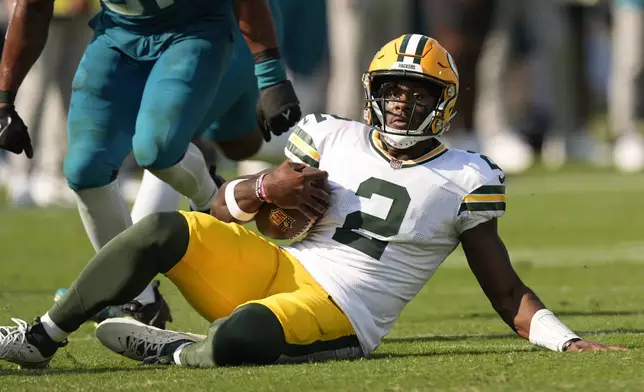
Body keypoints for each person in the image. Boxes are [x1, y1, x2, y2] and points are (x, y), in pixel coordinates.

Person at [0, 35, 625, 370]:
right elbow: (224, 207)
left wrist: (565, 341)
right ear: (372, 91)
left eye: (417, 91)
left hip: (344, 308)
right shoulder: (330, 134)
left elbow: (506, 291)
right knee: (162, 227)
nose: (403, 101)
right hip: (275, 264)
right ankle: (43, 338)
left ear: (444, 102)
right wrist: (262, 190)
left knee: (241, 336)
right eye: (393, 89)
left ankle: (178, 352)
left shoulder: (467, 176)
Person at [0, 0, 301, 328]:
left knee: (175, 147)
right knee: (84, 170)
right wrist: (5, 99)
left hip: (196, 28)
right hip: (118, 33)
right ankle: (138, 298)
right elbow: (33, 7)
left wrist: (271, 75)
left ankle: (210, 199)